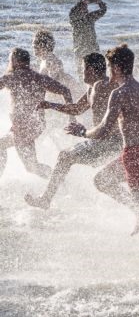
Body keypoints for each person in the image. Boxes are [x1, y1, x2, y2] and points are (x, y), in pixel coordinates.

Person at [64, 44, 139, 234]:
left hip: (133, 156)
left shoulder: (119, 94)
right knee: (104, 182)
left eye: (110, 68)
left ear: (117, 68)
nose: (108, 73)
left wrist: (82, 132)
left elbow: (103, 130)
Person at [25, 53, 123, 209]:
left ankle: (46, 200)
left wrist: (84, 132)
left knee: (65, 157)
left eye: (82, 68)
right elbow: (77, 109)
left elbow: (116, 97)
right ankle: (50, 199)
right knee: (66, 158)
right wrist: (50, 104)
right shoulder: (94, 87)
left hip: (110, 142)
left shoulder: (102, 86)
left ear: (90, 69)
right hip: (105, 141)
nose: (81, 71)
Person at [0, 48, 73, 179]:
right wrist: (71, 117)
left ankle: (59, 181)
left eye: (10, 60)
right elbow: (66, 91)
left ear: (15, 61)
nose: (9, 63)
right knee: (32, 167)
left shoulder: (11, 77)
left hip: (23, 127)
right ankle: (59, 181)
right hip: (35, 125)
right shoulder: (40, 78)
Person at [69, 0, 107, 74]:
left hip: (93, 48)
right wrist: (93, 0)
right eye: (83, 8)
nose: (86, 9)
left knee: (97, 70)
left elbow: (103, 10)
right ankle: (81, 85)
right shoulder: (74, 18)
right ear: (78, 9)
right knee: (81, 71)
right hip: (80, 49)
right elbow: (84, 1)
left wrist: (100, 2)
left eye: (86, 8)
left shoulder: (90, 17)